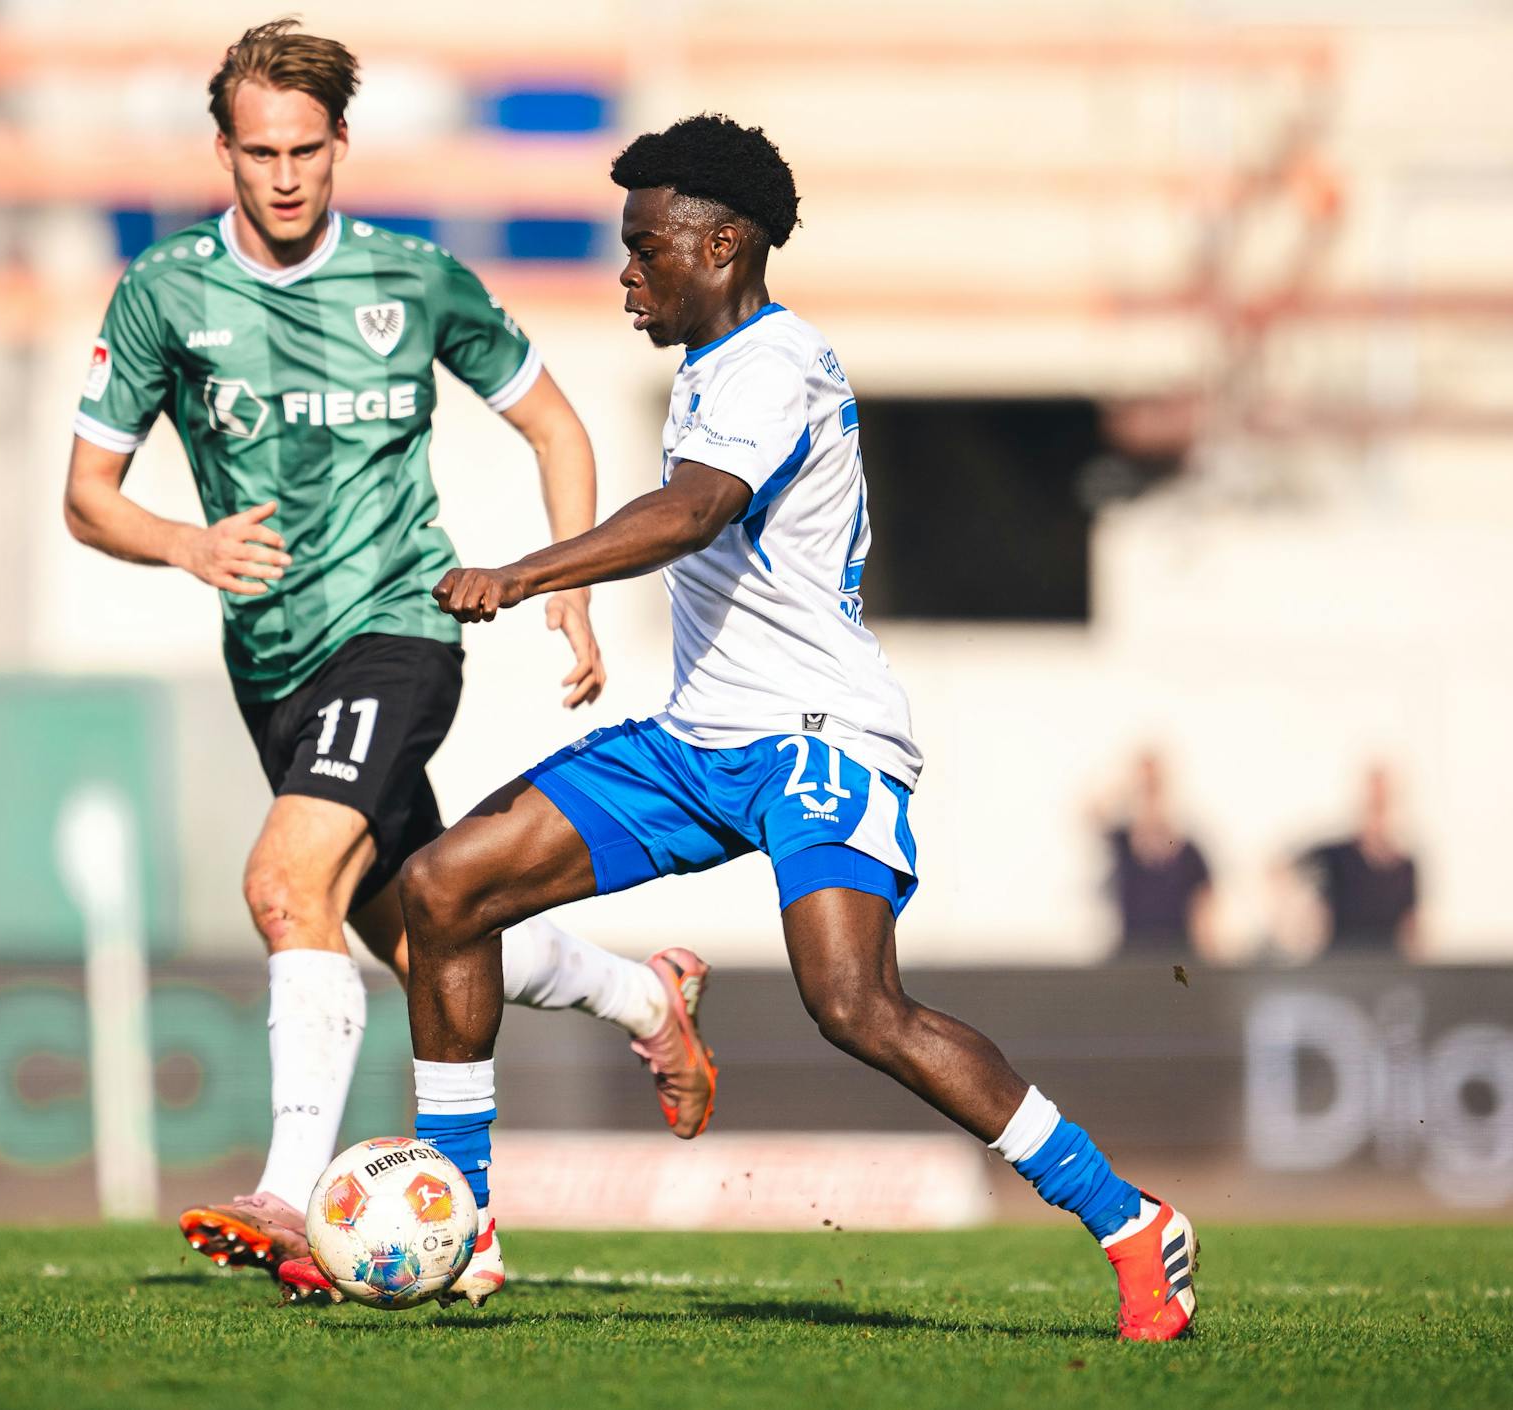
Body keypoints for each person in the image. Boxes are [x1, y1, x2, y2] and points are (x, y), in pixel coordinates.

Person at [393, 114, 1198, 1340]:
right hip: (699, 738)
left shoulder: (777, 364)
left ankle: (1131, 1222)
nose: (626, 272)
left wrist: (525, 573)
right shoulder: (710, 365)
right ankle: (458, 1222)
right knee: (444, 890)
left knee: (854, 1006)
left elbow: (695, 512)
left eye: (643, 248)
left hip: (815, 737)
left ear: (721, 243)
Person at [61, 21, 716, 1290]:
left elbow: (555, 424)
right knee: (421, 931)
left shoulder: (415, 281)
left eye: (307, 149)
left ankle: (290, 1195)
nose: (286, 176)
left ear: (340, 144)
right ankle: (644, 998)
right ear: (224, 151)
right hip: (272, 667)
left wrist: (565, 595)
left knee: (280, 884)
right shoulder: (164, 292)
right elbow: (89, 496)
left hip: (400, 630)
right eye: (260, 152)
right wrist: (184, 546)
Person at [1287, 764, 1420, 958]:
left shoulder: (1405, 867)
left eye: (1382, 804)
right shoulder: (1335, 857)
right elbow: (1282, 868)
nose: (1377, 814)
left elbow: (1411, 932)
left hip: (1387, 972)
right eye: (1372, 804)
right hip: (1339, 968)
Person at [1099, 750, 1218, 959]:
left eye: (1154, 789)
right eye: (1143, 790)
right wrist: (1128, 786)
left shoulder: (1190, 854)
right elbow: (1090, 813)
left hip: (1178, 962)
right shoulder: (1123, 843)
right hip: (1131, 960)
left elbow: (1205, 922)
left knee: (1180, 981)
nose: (1149, 798)